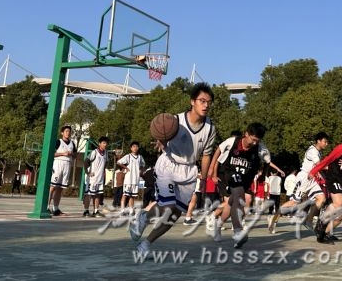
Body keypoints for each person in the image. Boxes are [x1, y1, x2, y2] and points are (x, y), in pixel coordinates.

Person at [129, 82, 218, 256]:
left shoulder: (210, 128)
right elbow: (161, 134)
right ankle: (144, 217)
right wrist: (161, 140)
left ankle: (145, 244)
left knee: (174, 215)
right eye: (202, 101)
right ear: (192, 101)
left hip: (189, 170)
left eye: (209, 102)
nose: (206, 105)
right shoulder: (174, 121)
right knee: (168, 205)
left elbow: (207, 155)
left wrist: (204, 178)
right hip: (169, 164)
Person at [210, 122, 273, 248]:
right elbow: (219, 150)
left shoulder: (261, 148)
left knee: (235, 202)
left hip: (245, 177)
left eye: (257, 141)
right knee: (238, 196)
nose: (254, 143)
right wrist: (212, 169)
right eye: (253, 139)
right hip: (228, 173)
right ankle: (238, 231)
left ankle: (218, 225)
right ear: (246, 134)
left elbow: (268, 161)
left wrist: (263, 174)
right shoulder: (232, 141)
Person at [268, 132, 330, 234]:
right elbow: (320, 165)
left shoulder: (318, 152)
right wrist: (334, 168)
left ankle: (308, 220)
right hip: (304, 178)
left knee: (321, 198)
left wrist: (321, 176)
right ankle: (274, 218)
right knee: (294, 203)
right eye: (325, 142)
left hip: (312, 178)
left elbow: (316, 167)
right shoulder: (313, 151)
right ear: (318, 141)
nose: (326, 144)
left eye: (327, 142)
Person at [48, 125, 76, 216]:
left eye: (69, 131)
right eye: (66, 131)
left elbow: (75, 155)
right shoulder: (58, 142)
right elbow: (52, 153)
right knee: (52, 187)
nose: (68, 133)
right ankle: (46, 206)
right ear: (62, 133)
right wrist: (63, 153)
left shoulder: (72, 143)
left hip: (67, 165)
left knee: (60, 188)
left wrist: (71, 154)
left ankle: (55, 208)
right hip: (58, 164)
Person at [83, 136, 108, 217]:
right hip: (92, 178)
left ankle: (96, 211)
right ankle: (86, 211)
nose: (105, 144)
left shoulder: (106, 153)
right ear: (99, 144)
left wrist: (103, 171)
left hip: (100, 178)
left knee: (97, 194)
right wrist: (88, 172)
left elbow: (106, 163)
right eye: (103, 143)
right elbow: (86, 161)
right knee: (89, 194)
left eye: (106, 143)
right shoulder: (95, 152)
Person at [117, 141, 145, 214]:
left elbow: (143, 165)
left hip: (135, 179)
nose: (135, 148)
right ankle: (122, 210)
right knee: (125, 195)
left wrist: (141, 171)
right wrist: (126, 167)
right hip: (128, 179)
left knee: (132, 196)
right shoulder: (128, 156)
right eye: (133, 146)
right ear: (131, 148)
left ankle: (131, 210)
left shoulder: (140, 157)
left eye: (136, 146)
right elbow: (119, 162)